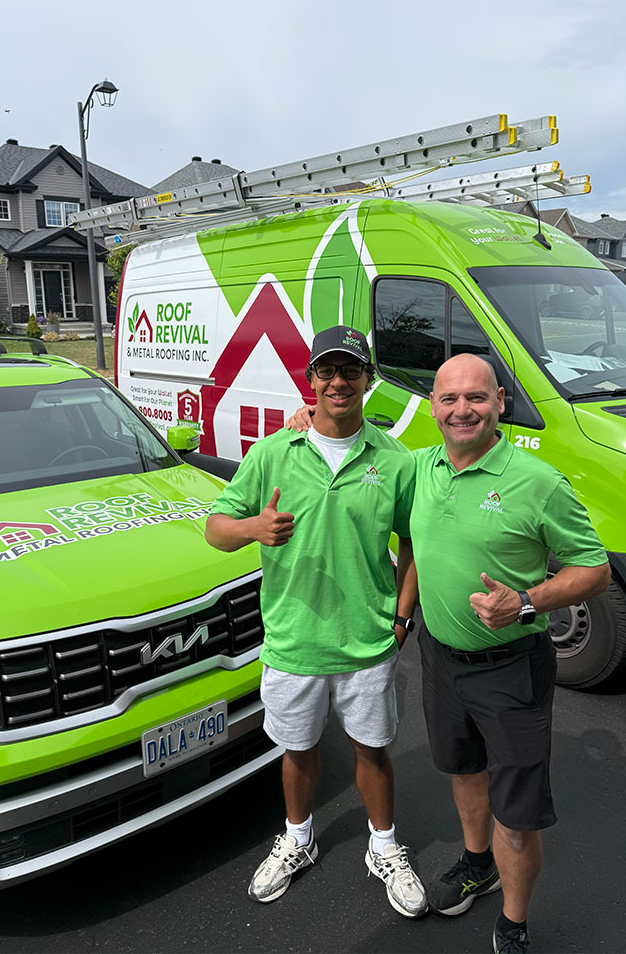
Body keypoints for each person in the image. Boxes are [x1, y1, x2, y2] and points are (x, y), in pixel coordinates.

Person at [285, 352, 610, 954]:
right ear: (433, 407)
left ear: (500, 403)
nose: (463, 410)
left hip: (512, 666)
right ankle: (474, 861)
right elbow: (359, 456)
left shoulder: (537, 482)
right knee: (463, 772)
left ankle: (513, 922)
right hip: (440, 658)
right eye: (449, 399)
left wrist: (528, 601)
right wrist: (306, 422)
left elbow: (595, 570)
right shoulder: (418, 469)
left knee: (518, 817)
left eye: (477, 398)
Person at [205, 325, 427, 918]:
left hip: (368, 642)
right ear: (310, 381)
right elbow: (216, 529)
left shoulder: (395, 460)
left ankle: (383, 846)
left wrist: (402, 622)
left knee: (373, 750)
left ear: (367, 381)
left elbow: (413, 547)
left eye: (350, 371)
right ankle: (298, 840)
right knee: (298, 751)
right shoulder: (273, 452)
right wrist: (253, 528)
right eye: (326, 371)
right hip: (293, 638)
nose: (338, 381)